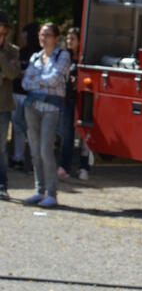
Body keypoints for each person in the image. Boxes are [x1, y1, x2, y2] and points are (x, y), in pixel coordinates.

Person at [21, 22, 70, 208]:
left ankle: (52, 192)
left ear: (56, 38)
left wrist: (36, 81)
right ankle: (39, 190)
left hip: (51, 108)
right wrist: (41, 83)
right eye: (42, 34)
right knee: (34, 150)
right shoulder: (35, 56)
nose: (43, 38)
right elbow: (25, 83)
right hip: (32, 106)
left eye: (48, 35)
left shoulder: (62, 55)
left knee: (45, 149)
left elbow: (55, 78)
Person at [58, 27, 90, 181]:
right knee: (67, 134)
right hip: (68, 99)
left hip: (83, 100)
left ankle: (84, 166)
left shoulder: (85, 59)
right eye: (68, 39)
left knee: (84, 134)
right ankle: (65, 165)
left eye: (73, 39)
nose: (69, 42)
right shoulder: (64, 57)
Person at [10, 22, 39, 170]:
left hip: (31, 96)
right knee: (17, 127)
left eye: (25, 34)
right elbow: (15, 72)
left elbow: (33, 75)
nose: (23, 36)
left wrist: (23, 74)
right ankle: (18, 157)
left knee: (32, 129)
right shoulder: (20, 51)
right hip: (16, 93)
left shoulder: (39, 54)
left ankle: (35, 161)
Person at [0, 11, 21, 201]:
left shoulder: (12, 50)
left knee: (1, 148)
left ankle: (2, 184)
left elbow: (12, 73)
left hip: (3, 105)